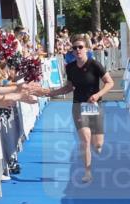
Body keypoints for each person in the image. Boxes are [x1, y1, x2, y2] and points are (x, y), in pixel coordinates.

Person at [38, 35, 115, 184]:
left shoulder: (95, 65)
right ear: (72, 51)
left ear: (86, 49)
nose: (78, 50)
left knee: (98, 145)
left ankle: (95, 147)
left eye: (80, 47)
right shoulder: (70, 68)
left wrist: (98, 95)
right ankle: (87, 172)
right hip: (78, 105)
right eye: (75, 48)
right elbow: (69, 87)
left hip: (94, 106)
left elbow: (110, 82)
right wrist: (50, 93)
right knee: (85, 140)